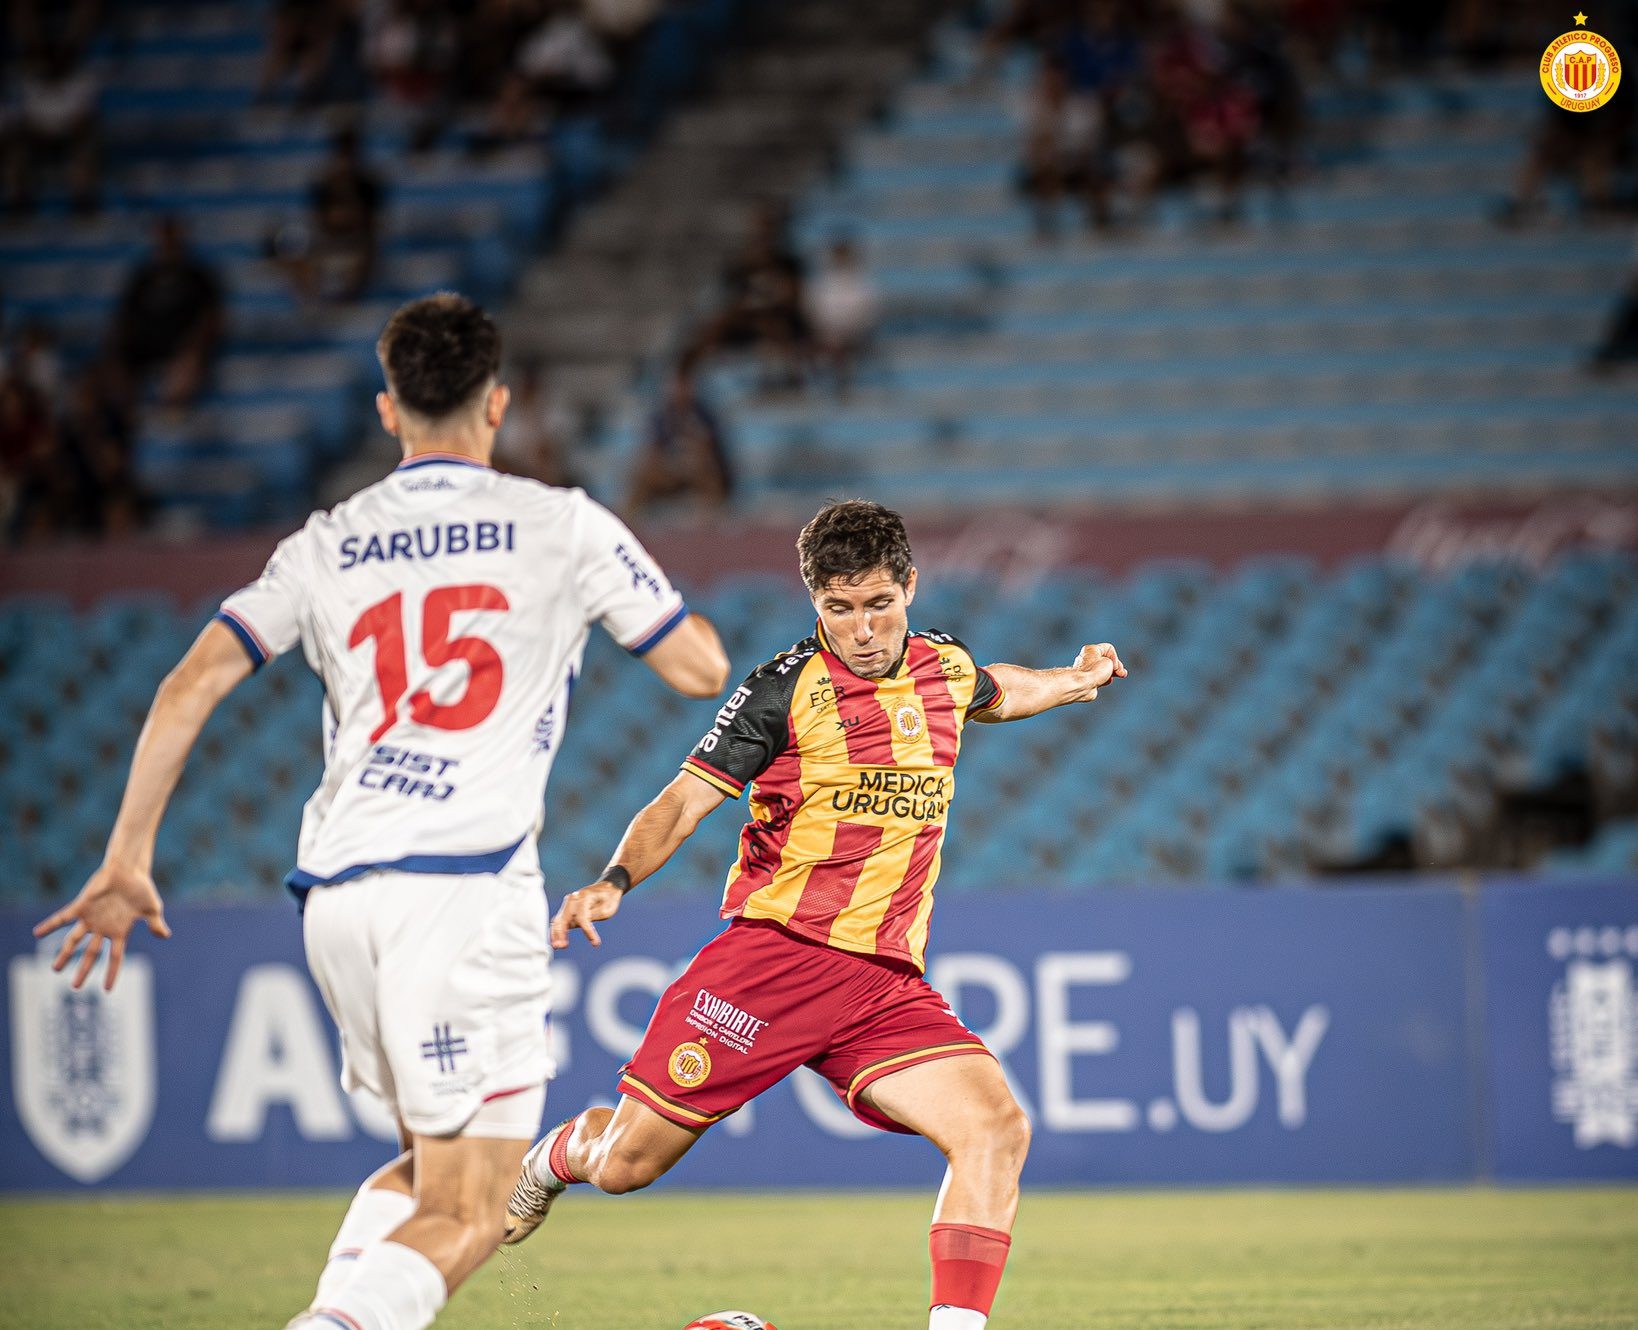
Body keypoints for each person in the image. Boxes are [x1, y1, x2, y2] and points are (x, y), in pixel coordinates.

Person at [33, 292, 730, 1330]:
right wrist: (629, 601)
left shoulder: (326, 542)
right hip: (463, 890)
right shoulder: (560, 524)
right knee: (474, 1206)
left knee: (423, 1172)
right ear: (498, 403)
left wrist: (128, 856)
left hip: (339, 895)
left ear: (388, 409)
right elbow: (698, 668)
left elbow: (189, 682)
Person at [502, 500, 1128, 1330]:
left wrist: (1075, 681)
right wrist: (614, 879)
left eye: (879, 604)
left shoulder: (942, 667)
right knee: (624, 1165)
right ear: (814, 601)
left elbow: (998, 690)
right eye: (839, 608)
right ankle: (556, 1156)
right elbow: (684, 800)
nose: (862, 630)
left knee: (996, 1128)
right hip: (772, 963)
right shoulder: (782, 691)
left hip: (882, 984)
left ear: (910, 586)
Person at [106, 215, 224, 409]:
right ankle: (125, 415)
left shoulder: (198, 277)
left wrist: (195, 346)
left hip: (184, 348)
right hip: (143, 348)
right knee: (113, 366)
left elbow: (213, 319)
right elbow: (123, 318)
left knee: (187, 364)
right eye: (163, 240)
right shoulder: (143, 278)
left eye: (172, 240)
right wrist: (115, 350)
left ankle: (171, 412)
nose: (167, 246)